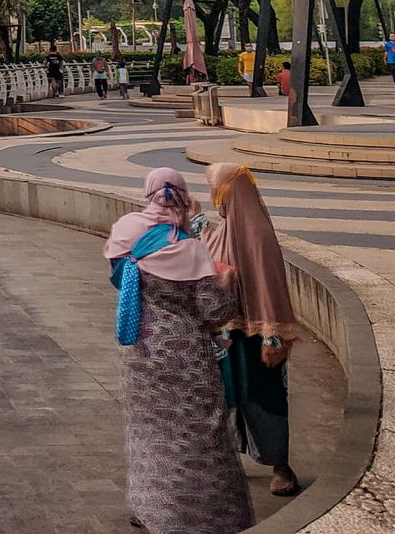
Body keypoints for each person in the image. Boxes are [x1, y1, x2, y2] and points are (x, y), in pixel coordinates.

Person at [105, 168, 255, 534]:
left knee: (148, 431)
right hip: (185, 355)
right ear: (184, 198)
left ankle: (148, 506)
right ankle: (196, 517)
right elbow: (213, 310)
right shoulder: (187, 248)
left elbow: (123, 277)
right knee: (196, 434)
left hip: (140, 349)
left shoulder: (125, 231)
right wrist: (226, 282)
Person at [204, 164, 301, 497]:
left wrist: (273, 335)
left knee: (266, 399)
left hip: (258, 337)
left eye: (217, 192)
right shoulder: (224, 229)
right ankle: (232, 461)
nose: (214, 199)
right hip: (228, 336)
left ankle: (281, 466)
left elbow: (270, 286)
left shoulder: (257, 234)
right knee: (231, 399)